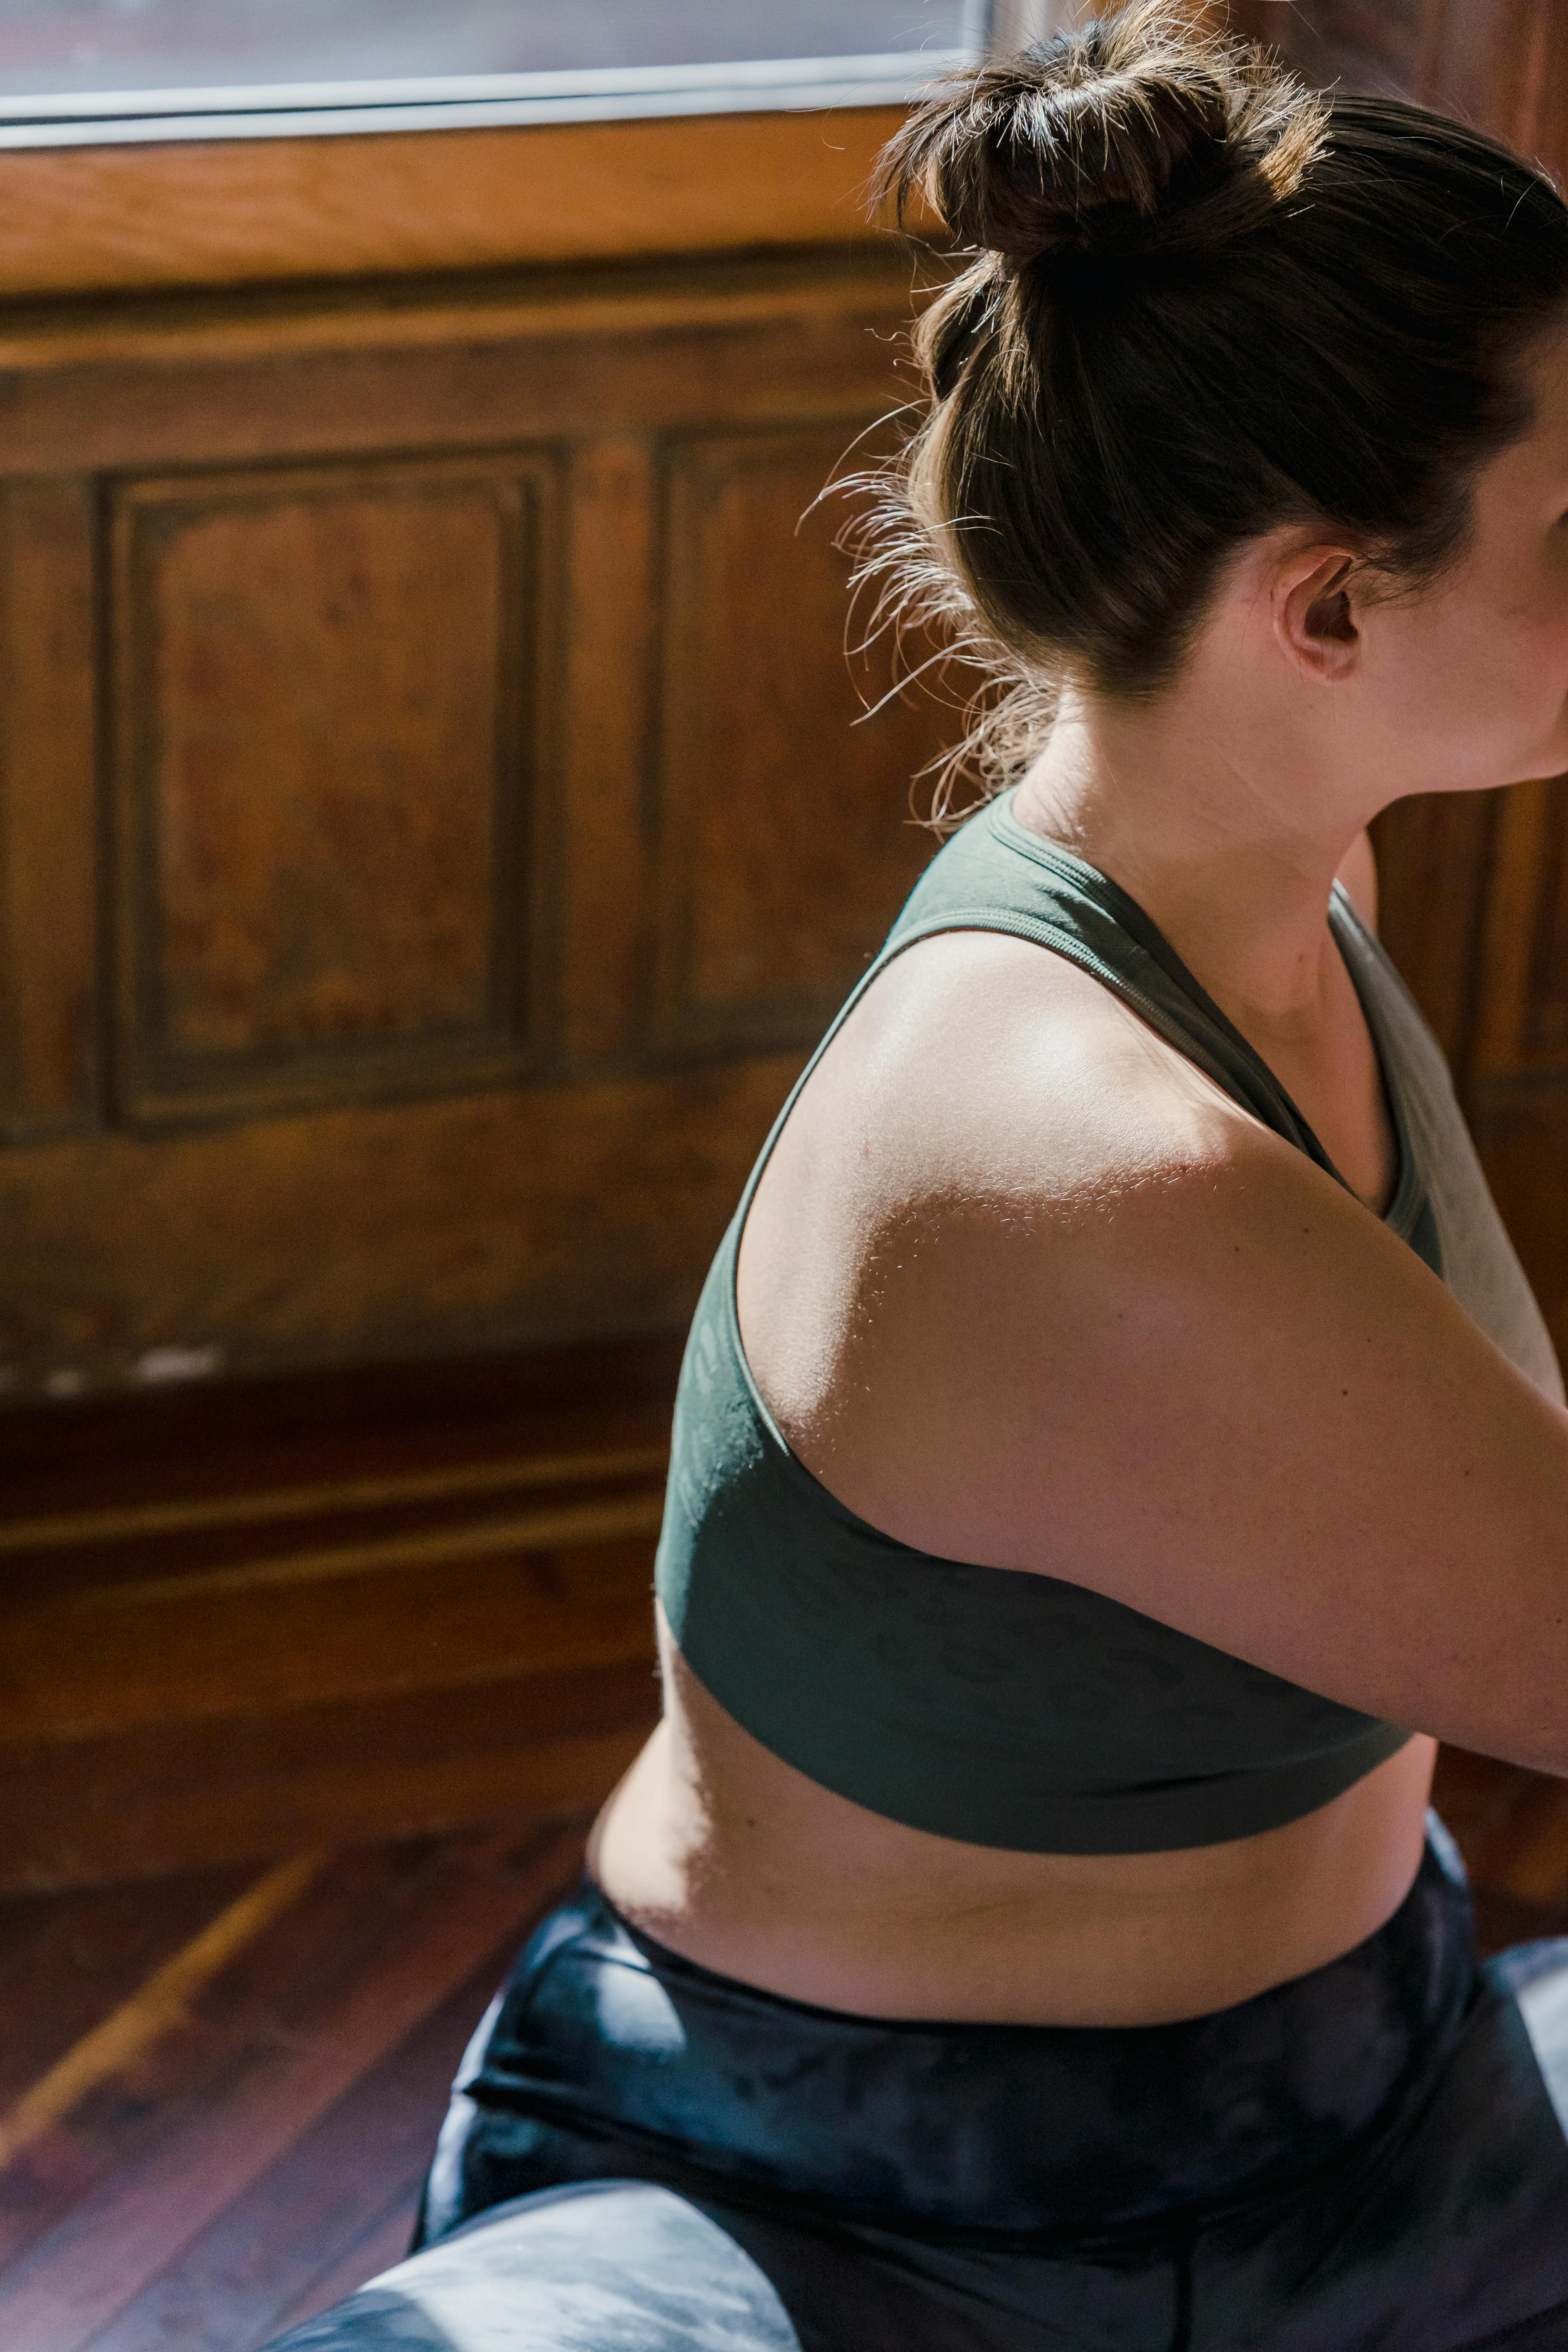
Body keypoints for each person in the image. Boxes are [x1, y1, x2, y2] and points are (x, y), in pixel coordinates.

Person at [272, 6, 1568, 2346]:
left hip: (1382, 2096)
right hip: (864, 2211)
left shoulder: (1287, 899)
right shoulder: (1078, 1163)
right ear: (1326, 609)